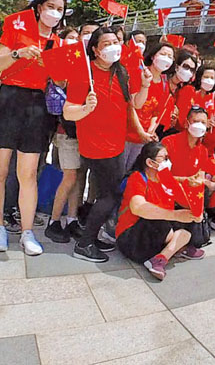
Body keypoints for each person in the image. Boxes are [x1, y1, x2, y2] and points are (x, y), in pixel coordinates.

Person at [0, 0, 67, 255]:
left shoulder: (59, 44)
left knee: (28, 173)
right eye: (50, 6)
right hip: (9, 100)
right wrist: (19, 53)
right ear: (39, 8)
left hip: (37, 107)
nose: (54, 12)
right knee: (0, 171)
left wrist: (53, 67)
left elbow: (62, 81)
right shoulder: (17, 29)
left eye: (60, 9)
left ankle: (27, 232)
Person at [64, 26, 147, 262]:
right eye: (106, 44)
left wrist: (145, 84)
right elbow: (68, 112)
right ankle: (84, 243)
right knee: (110, 196)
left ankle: (91, 234)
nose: (113, 47)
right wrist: (85, 108)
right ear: (95, 50)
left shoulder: (120, 72)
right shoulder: (84, 74)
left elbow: (135, 105)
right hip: (96, 146)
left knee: (105, 194)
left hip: (116, 145)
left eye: (115, 42)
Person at [115, 141, 203, 280]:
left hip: (157, 233)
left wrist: (194, 211)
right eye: (165, 158)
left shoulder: (165, 178)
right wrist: (175, 215)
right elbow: (138, 207)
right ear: (150, 162)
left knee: (190, 229)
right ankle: (176, 247)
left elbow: (184, 202)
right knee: (161, 221)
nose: (169, 161)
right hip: (133, 238)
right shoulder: (137, 178)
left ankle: (161, 258)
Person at [44, 27, 87, 244]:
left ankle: (71, 219)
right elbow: (57, 88)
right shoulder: (66, 62)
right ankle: (54, 221)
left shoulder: (86, 64)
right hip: (67, 132)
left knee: (76, 178)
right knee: (69, 177)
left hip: (82, 132)